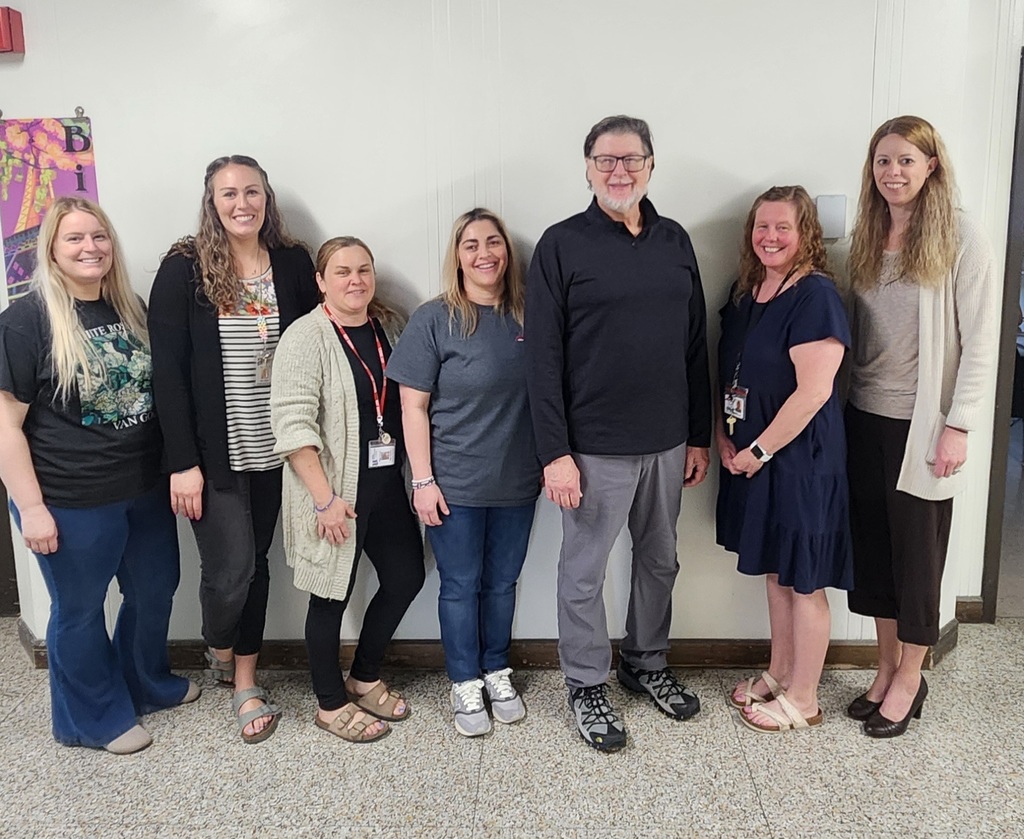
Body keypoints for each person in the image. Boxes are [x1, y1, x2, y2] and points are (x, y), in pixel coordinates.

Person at [526, 115, 712, 751]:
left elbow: (695, 347)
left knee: (660, 560)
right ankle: (585, 681)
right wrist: (554, 452)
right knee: (583, 571)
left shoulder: (675, 241)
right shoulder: (560, 245)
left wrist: (697, 435)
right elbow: (541, 358)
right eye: (605, 160)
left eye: (631, 159)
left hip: (666, 442)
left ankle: (646, 661)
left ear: (652, 165)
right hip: (591, 447)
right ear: (586, 168)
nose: (619, 171)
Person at [0, 197, 199, 755]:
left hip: (142, 487)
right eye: (75, 239)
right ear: (53, 252)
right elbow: (4, 428)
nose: (91, 248)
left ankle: (145, 683)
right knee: (80, 609)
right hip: (69, 498)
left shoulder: (127, 307)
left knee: (155, 589)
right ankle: (90, 720)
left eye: (99, 237)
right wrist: (32, 508)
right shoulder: (25, 321)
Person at [148, 155, 319, 743]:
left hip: (279, 447)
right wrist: (182, 464)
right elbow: (166, 374)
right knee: (231, 571)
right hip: (214, 452)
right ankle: (219, 645)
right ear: (211, 202)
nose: (241, 203)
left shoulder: (293, 264)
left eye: (252, 192)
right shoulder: (184, 269)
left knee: (259, 563)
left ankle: (245, 678)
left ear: (266, 198)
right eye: (229, 194)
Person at [846, 116, 999, 738]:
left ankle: (912, 675)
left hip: (923, 427)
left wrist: (958, 425)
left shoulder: (962, 236)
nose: (894, 172)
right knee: (876, 556)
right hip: (864, 417)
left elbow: (983, 342)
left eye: (907, 160)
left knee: (917, 559)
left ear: (931, 164)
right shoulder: (867, 234)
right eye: (883, 161)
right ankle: (884, 667)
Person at [387, 208, 540, 738]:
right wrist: (422, 481)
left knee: (502, 582)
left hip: (519, 481)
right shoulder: (434, 319)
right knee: (459, 585)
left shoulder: (529, 316)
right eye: (471, 244)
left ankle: (497, 670)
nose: (484, 254)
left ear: (507, 251)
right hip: (453, 484)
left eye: (493, 242)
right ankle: (463, 682)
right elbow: (412, 407)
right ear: (457, 255)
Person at [271, 237, 424, 743]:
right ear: (321, 281)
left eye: (363, 269)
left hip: (385, 488)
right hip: (334, 495)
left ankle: (363, 675)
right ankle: (330, 704)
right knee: (328, 596)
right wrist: (323, 499)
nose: (355, 280)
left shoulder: (389, 327)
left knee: (406, 577)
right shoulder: (305, 337)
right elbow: (292, 427)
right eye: (341, 272)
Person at [715, 186, 853, 733]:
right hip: (752, 456)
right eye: (762, 227)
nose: (770, 237)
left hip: (801, 461)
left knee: (804, 580)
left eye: (783, 228)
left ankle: (805, 698)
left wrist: (759, 449)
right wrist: (726, 437)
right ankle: (778, 672)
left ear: (806, 235)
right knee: (776, 571)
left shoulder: (815, 296)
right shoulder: (750, 291)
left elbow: (813, 392)